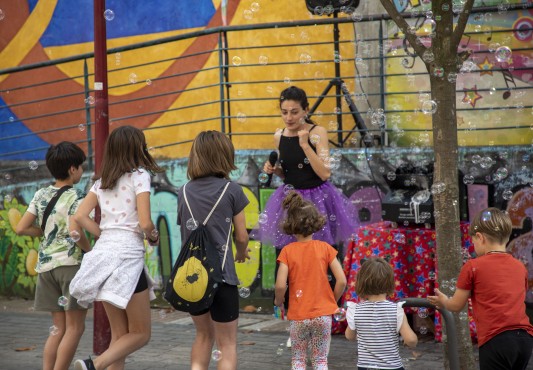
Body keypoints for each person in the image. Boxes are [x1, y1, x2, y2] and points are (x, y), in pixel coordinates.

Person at [69, 125, 163, 370]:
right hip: (127, 258)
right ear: (137, 148)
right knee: (141, 334)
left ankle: (97, 364)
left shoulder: (101, 181)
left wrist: (104, 234)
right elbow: (144, 222)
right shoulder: (139, 175)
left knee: (120, 337)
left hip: (105, 254)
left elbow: (80, 215)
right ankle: (94, 365)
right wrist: (153, 236)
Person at [177, 130, 250, 370]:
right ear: (225, 155)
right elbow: (241, 235)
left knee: (203, 336)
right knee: (227, 344)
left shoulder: (184, 191)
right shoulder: (232, 190)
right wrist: (241, 252)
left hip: (192, 278)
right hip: (223, 277)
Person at [15, 141, 91, 370]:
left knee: (58, 328)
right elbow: (76, 232)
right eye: (81, 166)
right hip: (70, 266)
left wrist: (46, 232)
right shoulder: (78, 196)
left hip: (46, 268)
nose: (82, 170)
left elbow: (20, 228)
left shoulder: (40, 194)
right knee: (76, 328)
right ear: (72, 169)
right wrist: (91, 251)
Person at [428, 207, 533, 370]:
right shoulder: (520, 267)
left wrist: (443, 302)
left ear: (480, 237)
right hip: (524, 340)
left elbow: (456, 305)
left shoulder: (472, 266)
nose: (474, 245)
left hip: (496, 340)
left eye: (473, 241)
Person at [274, 191, 347, 370]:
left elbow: (280, 284)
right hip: (323, 315)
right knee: (320, 360)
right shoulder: (326, 248)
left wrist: (279, 301)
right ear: (315, 222)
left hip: (299, 315)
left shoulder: (287, 251)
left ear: (291, 224)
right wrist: (332, 300)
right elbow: (342, 281)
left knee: (298, 360)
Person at [345, 257, 418, 370]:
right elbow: (411, 340)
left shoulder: (355, 310)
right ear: (390, 283)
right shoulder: (396, 310)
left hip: (365, 367)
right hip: (392, 366)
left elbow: (349, 336)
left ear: (360, 283)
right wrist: (410, 343)